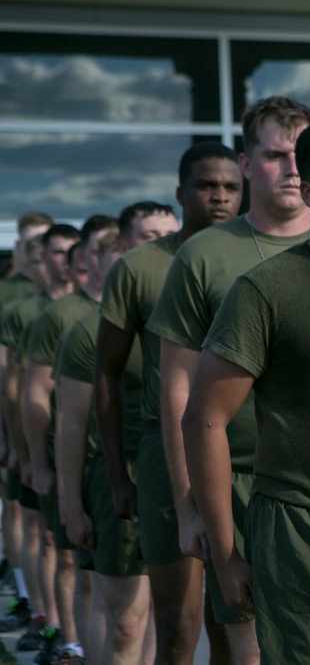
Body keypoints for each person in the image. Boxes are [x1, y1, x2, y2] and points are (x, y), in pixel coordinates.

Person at [183, 113, 310, 663]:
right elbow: (204, 419)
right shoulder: (265, 289)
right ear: (308, 186)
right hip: (301, 528)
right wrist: (225, 555)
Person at [147, 97, 310, 665]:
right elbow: (177, 388)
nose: (293, 168)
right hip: (237, 482)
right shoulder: (204, 255)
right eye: (275, 155)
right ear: (246, 164)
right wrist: (189, 502)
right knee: (250, 651)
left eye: (302, 154)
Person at [95, 149, 241, 665]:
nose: (220, 196)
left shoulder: (250, 258)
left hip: (238, 458)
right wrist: (118, 474)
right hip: (168, 457)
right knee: (177, 628)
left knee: (235, 625)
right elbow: (107, 372)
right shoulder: (139, 268)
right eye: (206, 186)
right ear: (181, 195)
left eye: (230, 186)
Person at [24, 216, 114, 662]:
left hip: (131, 466)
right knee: (74, 565)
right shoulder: (62, 319)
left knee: (140, 601)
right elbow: (29, 391)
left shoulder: (145, 310)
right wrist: (35, 460)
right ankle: (68, 641)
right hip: (79, 461)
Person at [54, 230, 135, 664]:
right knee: (119, 618)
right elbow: (69, 420)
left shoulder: (183, 320)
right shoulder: (83, 329)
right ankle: (69, 643)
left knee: (160, 614)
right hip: (106, 478)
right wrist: (70, 500)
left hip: (165, 479)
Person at [8, 223, 80, 656]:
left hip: (85, 451)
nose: (64, 261)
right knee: (47, 538)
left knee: (71, 552)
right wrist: (22, 449)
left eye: (71, 252)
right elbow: (16, 387)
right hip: (44, 441)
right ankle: (47, 618)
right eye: (54, 253)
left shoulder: (104, 307)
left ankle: (71, 636)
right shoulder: (31, 314)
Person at [0, 231, 50, 635]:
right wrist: (14, 443)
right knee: (24, 515)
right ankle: (29, 599)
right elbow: (10, 381)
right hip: (20, 425)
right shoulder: (14, 303)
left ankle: (60, 626)